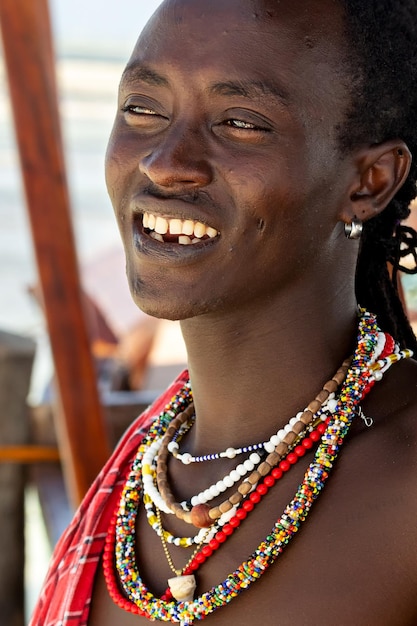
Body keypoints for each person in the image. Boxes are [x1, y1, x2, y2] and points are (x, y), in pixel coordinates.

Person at [30, 0, 417, 624]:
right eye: (143, 109)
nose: (164, 162)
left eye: (240, 122)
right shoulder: (140, 471)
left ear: (369, 181)